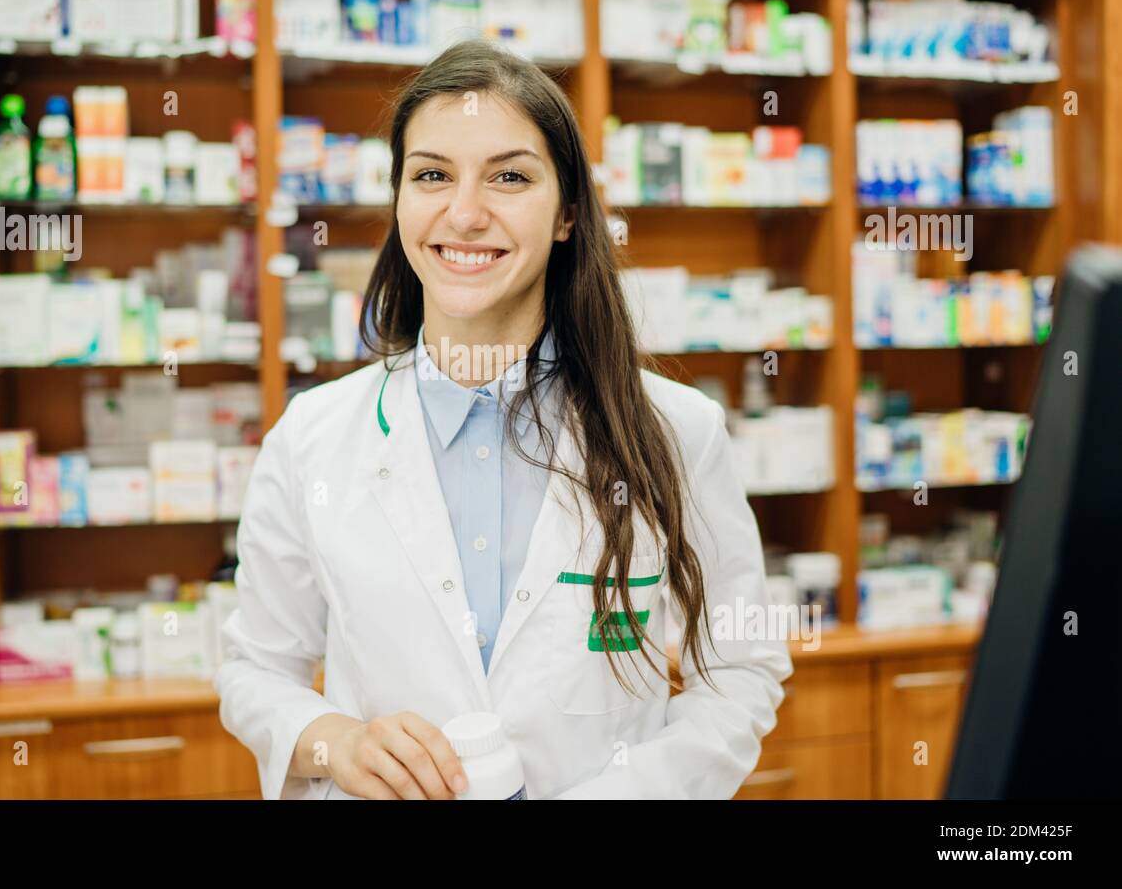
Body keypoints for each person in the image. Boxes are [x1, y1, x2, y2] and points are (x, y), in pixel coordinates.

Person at [216, 39, 792, 799]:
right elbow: (256, 668)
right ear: (398, 200)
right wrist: (337, 745)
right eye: (431, 176)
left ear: (567, 215)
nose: (464, 213)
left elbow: (741, 668)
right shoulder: (313, 438)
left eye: (510, 177)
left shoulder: (676, 432)